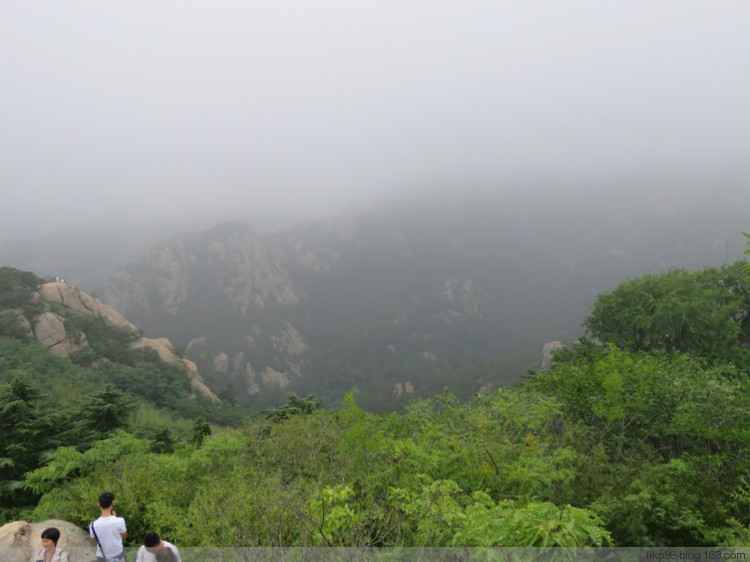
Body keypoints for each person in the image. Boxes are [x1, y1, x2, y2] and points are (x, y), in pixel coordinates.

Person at [89, 491, 127, 561]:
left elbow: (95, 540)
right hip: (118, 555)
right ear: (112, 503)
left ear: (99, 505)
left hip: (102, 556)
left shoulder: (92, 525)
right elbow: (124, 536)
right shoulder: (120, 521)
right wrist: (115, 518)